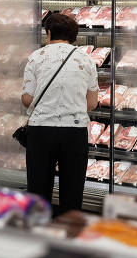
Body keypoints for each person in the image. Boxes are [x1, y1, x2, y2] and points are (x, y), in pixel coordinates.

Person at [21, 13, 98, 215]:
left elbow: (27, 99)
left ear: (48, 33)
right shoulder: (86, 59)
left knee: (38, 190)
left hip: (41, 132)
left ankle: (37, 233)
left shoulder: (36, 57)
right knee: (72, 193)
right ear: (73, 35)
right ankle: (69, 236)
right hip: (74, 132)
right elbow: (92, 103)